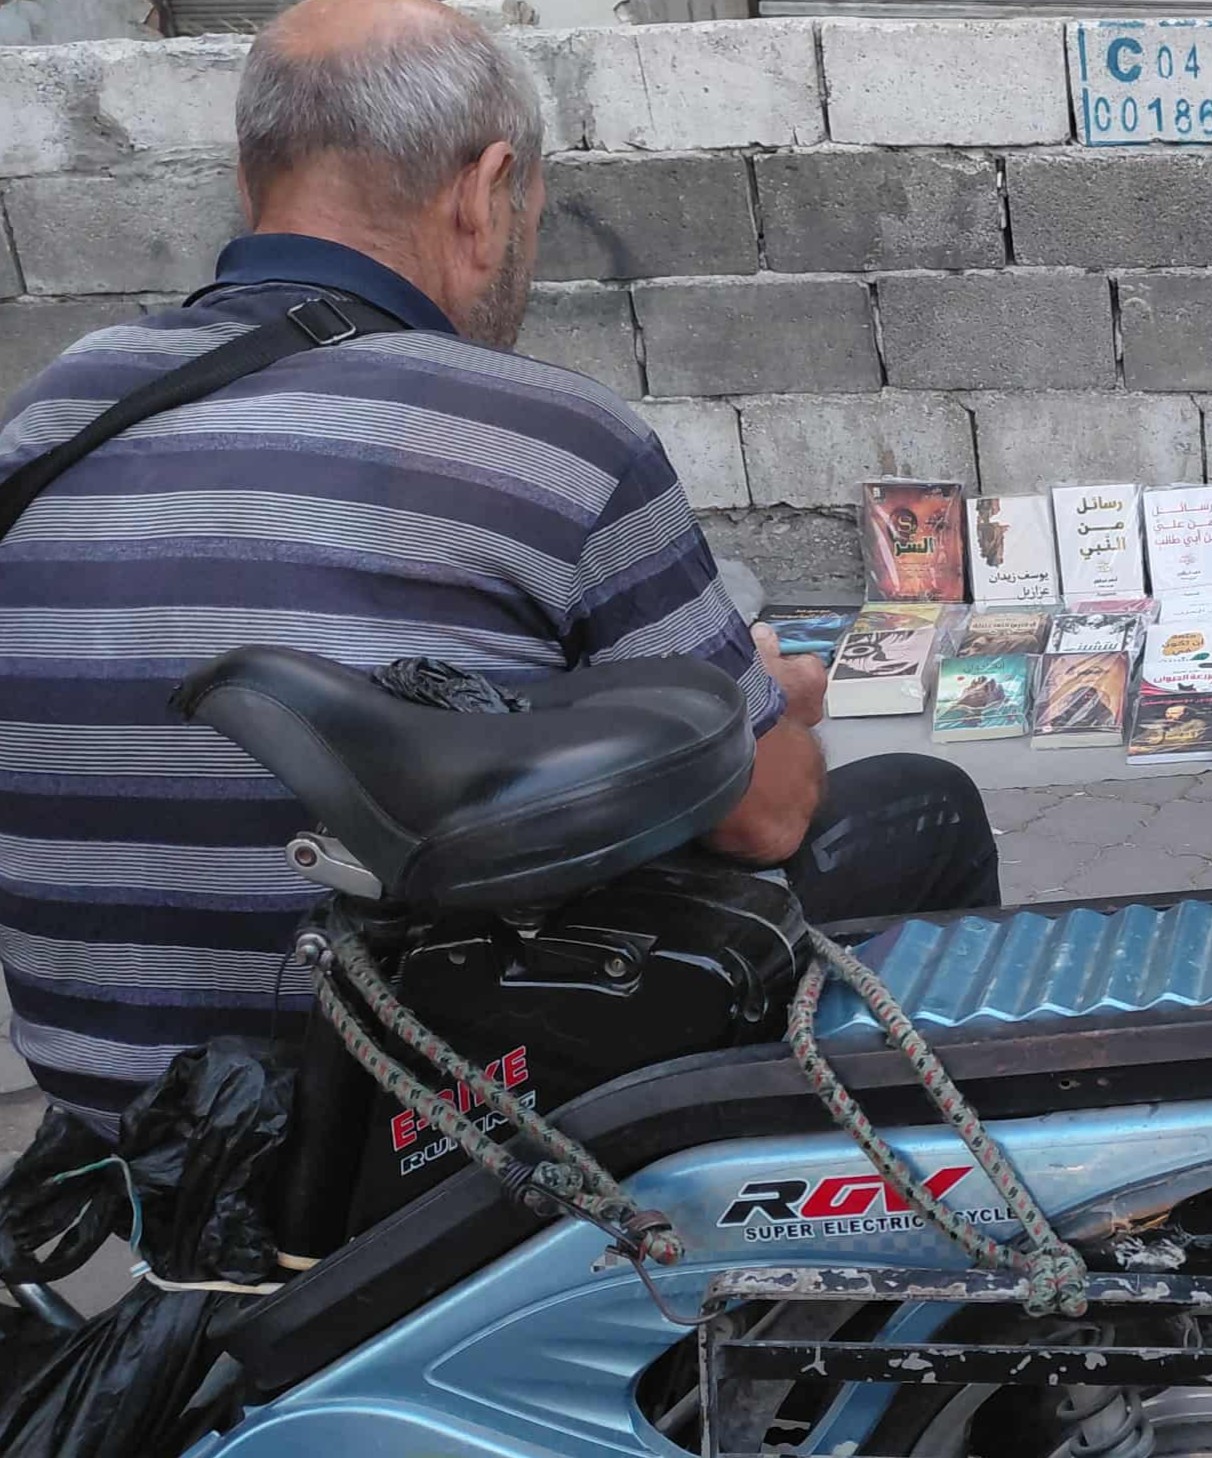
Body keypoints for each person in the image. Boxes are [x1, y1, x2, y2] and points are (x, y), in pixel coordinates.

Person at [0, 0, 996, 1131]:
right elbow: (763, 821)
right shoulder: (547, 437)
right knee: (921, 807)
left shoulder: (43, 421)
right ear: (484, 190)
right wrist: (770, 702)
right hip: (413, 1128)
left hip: (114, 1131)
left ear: (249, 182)